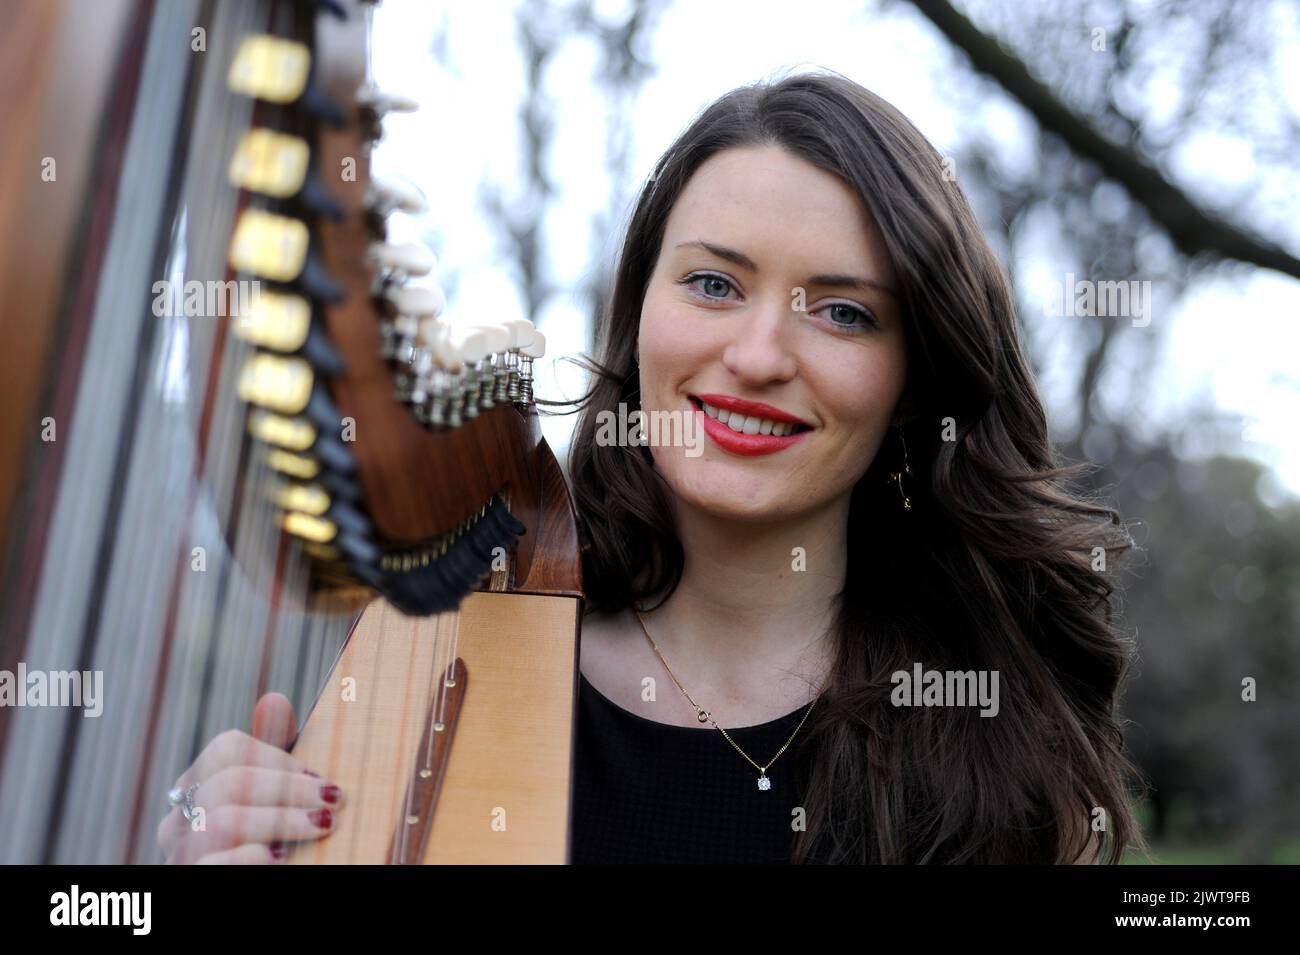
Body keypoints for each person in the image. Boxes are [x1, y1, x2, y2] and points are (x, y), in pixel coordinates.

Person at [158, 71, 1145, 865]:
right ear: (637, 316)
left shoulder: (991, 745)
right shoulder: (441, 658)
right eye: (714, 283)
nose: (759, 354)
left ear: (913, 379)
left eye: (841, 310)